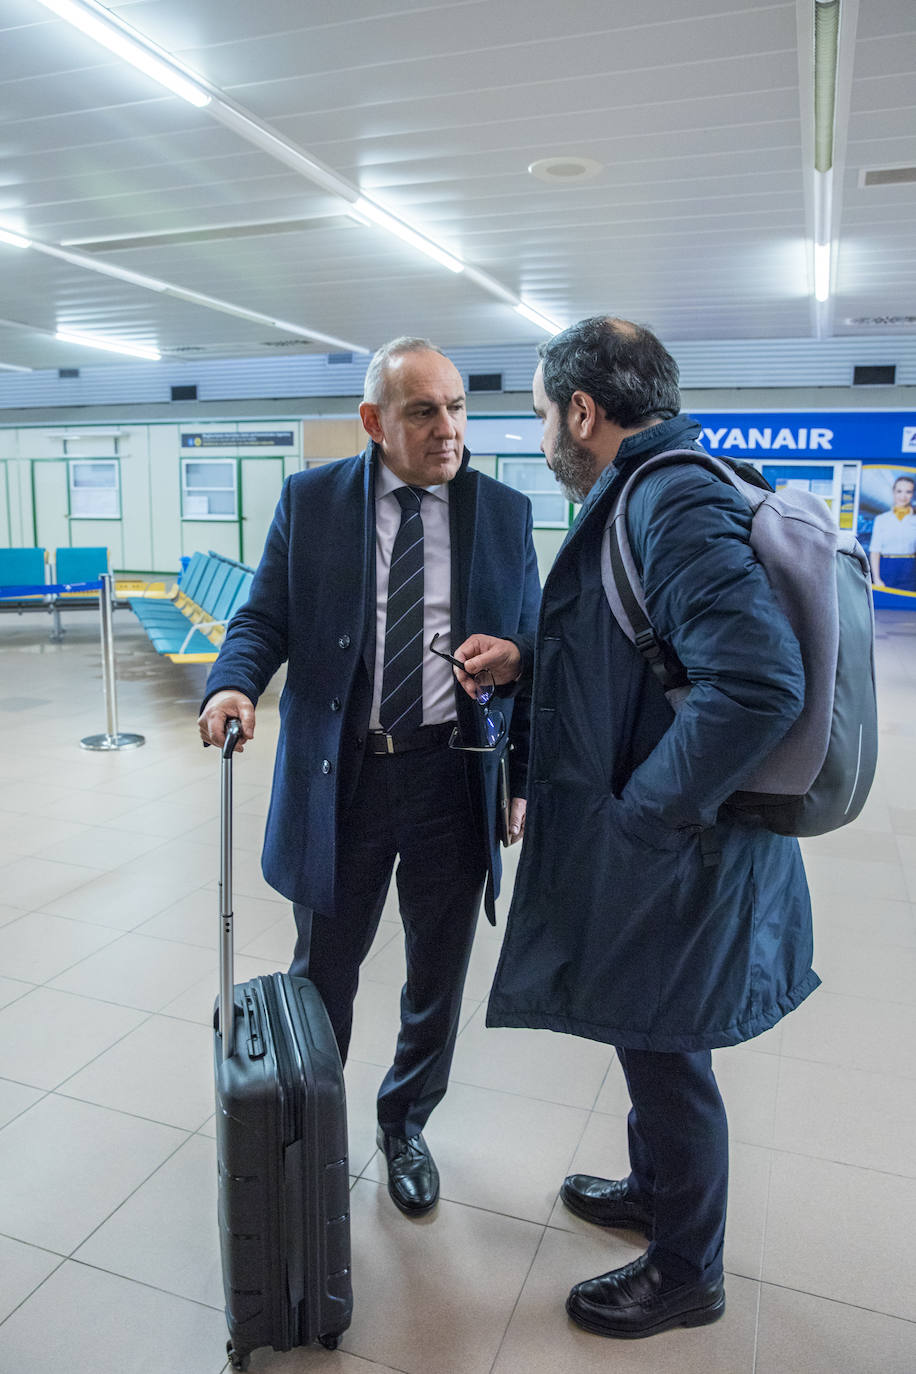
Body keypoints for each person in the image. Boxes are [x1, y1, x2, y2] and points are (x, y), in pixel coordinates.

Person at [477, 316, 819, 1339]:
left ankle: (684, 1271)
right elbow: (649, 654)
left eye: (541, 414)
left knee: (669, 1054)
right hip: (670, 844)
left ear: (583, 411)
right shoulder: (652, 487)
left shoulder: (666, 497)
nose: (542, 436)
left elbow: (755, 683)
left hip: (680, 847)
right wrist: (536, 665)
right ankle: (649, 1189)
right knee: (643, 1027)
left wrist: (645, 813)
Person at [198, 337, 540, 1216]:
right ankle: (310, 1120)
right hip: (342, 776)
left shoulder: (499, 513)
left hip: (449, 778)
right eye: (424, 411)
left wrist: (521, 774)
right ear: (373, 421)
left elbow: (531, 652)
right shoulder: (312, 502)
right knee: (326, 968)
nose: (449, 429)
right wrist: (234, 682)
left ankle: (406, 1123)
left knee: (438, 968)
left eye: (458, 407)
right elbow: (263, 616)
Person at [869, 474, 916, 591]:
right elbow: (875, 551)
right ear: (893, 493)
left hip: (910, 567)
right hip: (887, 567)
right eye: (899, 491)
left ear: (913, 494)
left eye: (908, 492)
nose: (903, 496)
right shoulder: (881, 519)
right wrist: (876, 578)